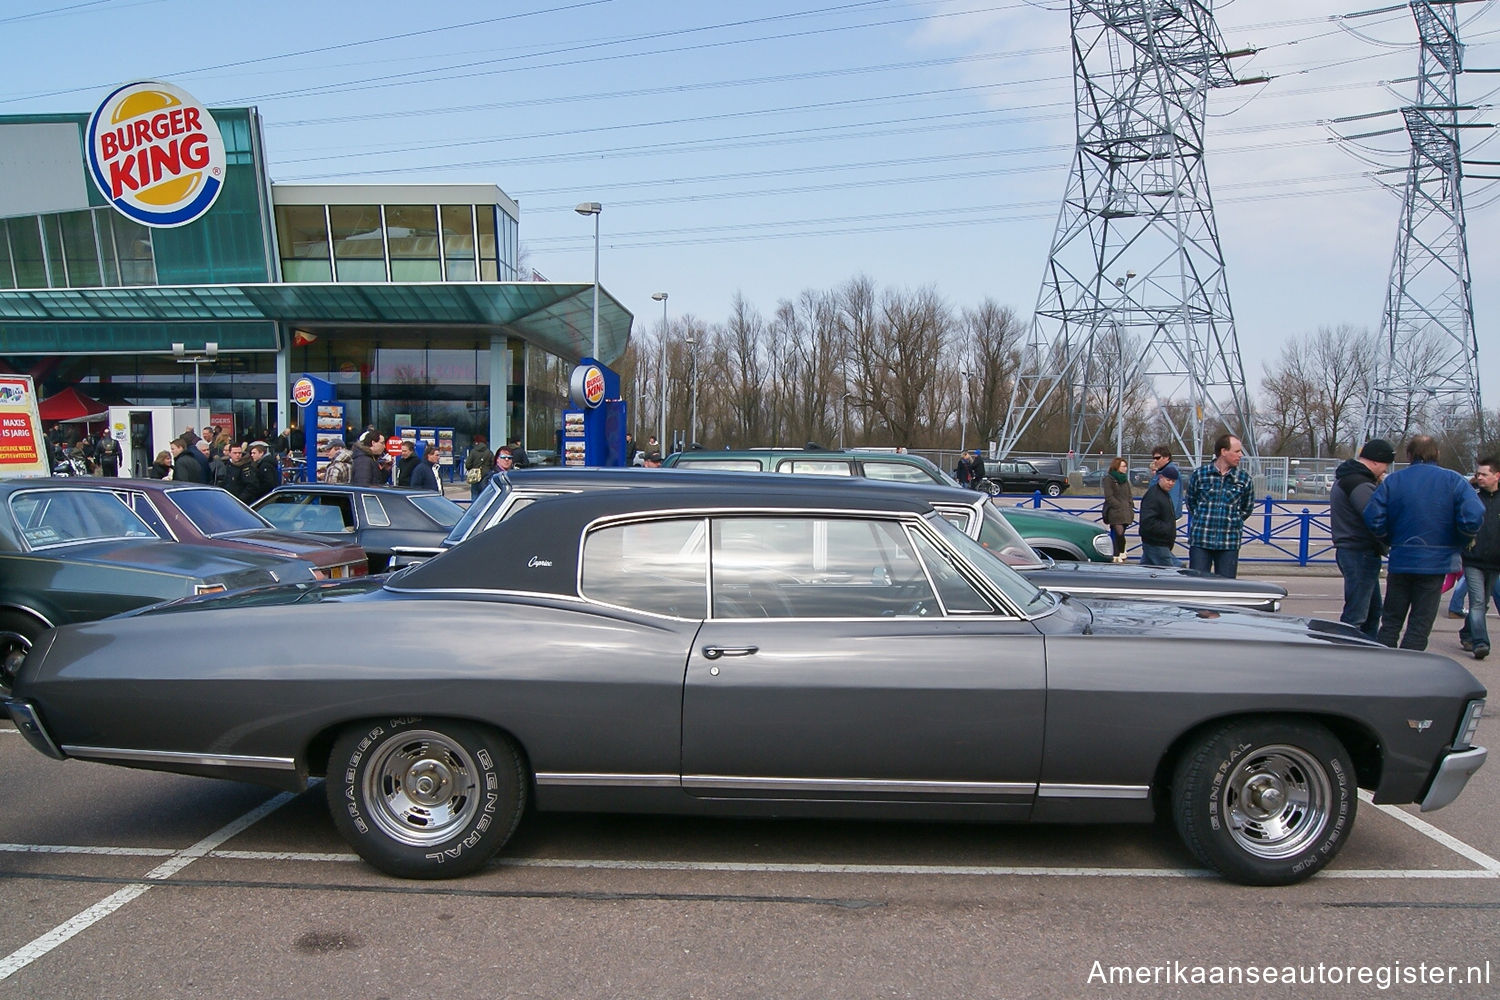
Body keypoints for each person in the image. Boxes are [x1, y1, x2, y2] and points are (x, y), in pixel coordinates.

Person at [1363, 435, 1484, 651]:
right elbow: (1473, 515)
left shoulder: (1394, 481)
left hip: (1401, 558)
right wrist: (1460, 539)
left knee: (1390, 621)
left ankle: (1382, 665)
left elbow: (1373, 516)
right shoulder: (1454, 480)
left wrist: (1389, 538)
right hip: (1436, 561)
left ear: (1409, 455)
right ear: (1436, 454)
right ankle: (1410, 667)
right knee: (1420, 624)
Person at [1329, 438, 1395, 640]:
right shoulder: (1359, 483)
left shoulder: (1347, 478)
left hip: (1352, 548)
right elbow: (1375, 516)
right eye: (1385, 465)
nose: (1385, 471)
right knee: (1357, 613)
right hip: (1360, 550)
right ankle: (1347, 650)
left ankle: (1364, 648)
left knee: (1372, 611)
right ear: (1375, 462)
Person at [1185, 433, 1256, 578]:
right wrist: (1203, 519)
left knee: (1226, 588)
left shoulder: (1244, 479)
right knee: (1197, 585)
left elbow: (1246, 508)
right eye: (1237, 451)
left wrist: (1232, 521)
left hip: (1228, 543)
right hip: (1201, 540)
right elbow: (1191, 502)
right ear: (1223, 451)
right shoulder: (1200, 475)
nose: (1241, 455)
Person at [1457, 456, 1500, 659]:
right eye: (1478, 474)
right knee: (1477, 601)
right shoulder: (1472, 497)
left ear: (1497, 476)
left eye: (1484, 474)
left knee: (1483, 603)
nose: (1480, 477)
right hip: (1473, 558)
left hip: (1494, 561)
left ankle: (1467, 633)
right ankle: (1480, 642)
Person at [1138, 462, 1180, 567]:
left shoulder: (1163, 494)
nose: (1171, 483)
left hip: (1156, 542)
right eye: (1168, 480)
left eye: (1173, 481)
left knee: (1145, 570)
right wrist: (1167, 529)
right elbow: (1148, 521)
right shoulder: (1154, 495)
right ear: (1161, 477)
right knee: (1171, 573)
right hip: (1157, 543)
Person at [1101, 456, 1134, 563]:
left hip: (1126, 511)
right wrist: (1118, 505)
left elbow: (1129, 495)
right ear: (1117, 466)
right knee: (1118, 533)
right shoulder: (1109, 479)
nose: (1125, 468)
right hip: (1115, 512)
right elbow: (1109, 496)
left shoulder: (1125, 480)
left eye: (1126, 466)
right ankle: (1117, 553)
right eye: (1123, 466)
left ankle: (1120, 552)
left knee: (1121, 533)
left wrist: (1130, 505)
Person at [1147, 446, 1182, 514]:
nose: (1155, 461)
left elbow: (1173, 497)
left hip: (1162, 516)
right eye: (1154, 458)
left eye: (1158, 458)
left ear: (1166, 458)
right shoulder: (1160, 472)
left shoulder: (1172, 473)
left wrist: (1167, 516)